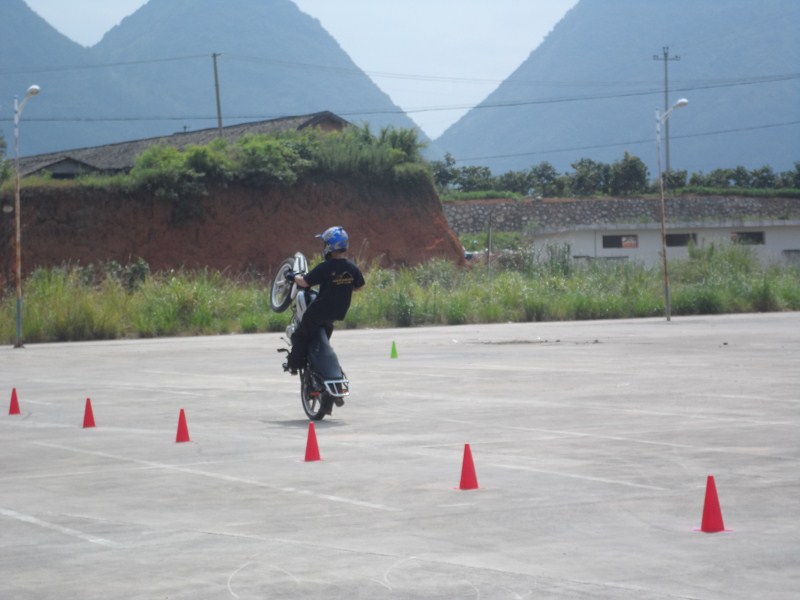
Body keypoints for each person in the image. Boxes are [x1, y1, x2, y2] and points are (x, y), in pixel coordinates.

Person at [283, 226, 365, 374]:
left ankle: (293, 365)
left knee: (300, 335)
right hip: (338, 313)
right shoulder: (352, 268)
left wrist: (291, 276)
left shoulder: (325, 267)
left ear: (329, 246)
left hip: (319, 311)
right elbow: (359, 287)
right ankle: (318, 361)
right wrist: (343, 286)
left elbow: (304, 282)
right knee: (321, 338)